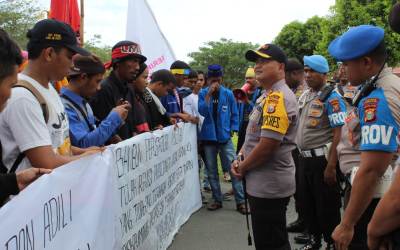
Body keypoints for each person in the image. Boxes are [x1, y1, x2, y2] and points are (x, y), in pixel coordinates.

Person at [328, 25, 400, 250]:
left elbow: (371, 170)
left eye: (346, 64)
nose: (343, 70)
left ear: (367, 62)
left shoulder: (378, 101)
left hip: (375, 201)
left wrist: (347, 224)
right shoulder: (381, 85)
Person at [0, 19, 100, 174]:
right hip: (32, 196)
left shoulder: (49, 89)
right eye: (69, 56)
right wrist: (86, 158)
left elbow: (55, 143)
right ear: (49, 54)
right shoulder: (23, 96)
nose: (72, 65)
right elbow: (45, 161)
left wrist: (82, 151)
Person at [230, 44, 298, 250]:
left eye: (263, 61)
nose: (257, 66)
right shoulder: (267, 95)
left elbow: (268, 145)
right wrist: (239, 156)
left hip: (269, 184)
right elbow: (252, 136)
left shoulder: (278, 98)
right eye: (256, 62)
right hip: (261, 180)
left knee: (271, 243)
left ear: (280, 67)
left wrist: (242, 167)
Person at [296, 55, 346, 250]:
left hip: (322, 161)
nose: (307, 75)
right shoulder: (306, 95)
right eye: (305, 71)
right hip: (303, 159)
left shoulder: (333, 98)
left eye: (312, 71)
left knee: (327, 206)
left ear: (324, 74)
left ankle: (331, 243)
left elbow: (338, 134)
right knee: (307, 203)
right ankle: (314, 240)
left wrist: (332, 166)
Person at [0, 29, 52, 206]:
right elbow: (46, 159)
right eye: (11, 85)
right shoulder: (23, 98)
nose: (11, 94)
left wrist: (13, 182)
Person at [198, 64, 246, 213]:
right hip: (209, 139)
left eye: (217, 80)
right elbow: (202, 111)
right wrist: (208, 95)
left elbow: (234, 113)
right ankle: (217, 200)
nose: (215, 83)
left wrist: (234, 129)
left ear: (221, 79)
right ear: (208, 80)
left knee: (233, 169)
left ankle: (241, 202)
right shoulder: (203, 93)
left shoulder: (228, 94)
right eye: (212, 80)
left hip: (225, 138)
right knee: (212, 171)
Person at [61, 54, 130, 148]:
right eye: (97, 81)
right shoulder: (64, 106)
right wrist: (113, 118)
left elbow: (97, 137)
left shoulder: (84, 103)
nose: (99, 88)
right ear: (83, 77)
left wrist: (118, 119)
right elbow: (84, 144)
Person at [89, 40, 146, 140]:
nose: (137, 67)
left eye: (138, 62)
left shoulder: (129, 88)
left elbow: (134, 125)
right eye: (133, 61)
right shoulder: (103, 89)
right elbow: (104, 133)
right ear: (118, 63)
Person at [285, 58, 308, 236]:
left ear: (294, 73)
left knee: (306, 189)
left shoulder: (305, 91)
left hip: (304, 147)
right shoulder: (291, 90)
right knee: (298, 186)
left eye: (285, 74)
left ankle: (309, 225)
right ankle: (302, 219)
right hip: (294, 146)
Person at [236, 67, 262, 153]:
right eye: (246, 78)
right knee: (240, 152)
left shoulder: (260, 92)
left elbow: (258, 110)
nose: (248, 80)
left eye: (250, 78)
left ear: (255, 79)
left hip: (253, 128)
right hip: (243, 126)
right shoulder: (243, 91)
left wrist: (247, 101)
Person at [130, 63, 151, 134]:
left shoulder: (142, 98)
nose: (147, 82)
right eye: (145, 77)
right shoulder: (127, 99)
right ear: (134, 78)